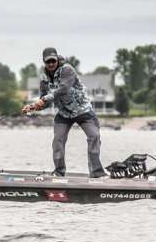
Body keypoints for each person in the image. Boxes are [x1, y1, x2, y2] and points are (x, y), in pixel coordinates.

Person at [22, 47, 106, 178]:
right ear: (44, 61)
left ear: (57, 59)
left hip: (83, 110)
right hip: (64, 114)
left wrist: (44, 99)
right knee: (58, 140)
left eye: (53, 61)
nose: (51, 64)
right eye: (48, 61)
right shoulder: (44, 78)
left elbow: (63, 89)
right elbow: (45, 102)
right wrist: (33, 107)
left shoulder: (67, 70)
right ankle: (59, 172)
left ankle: (96, 173)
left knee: (94, 136)